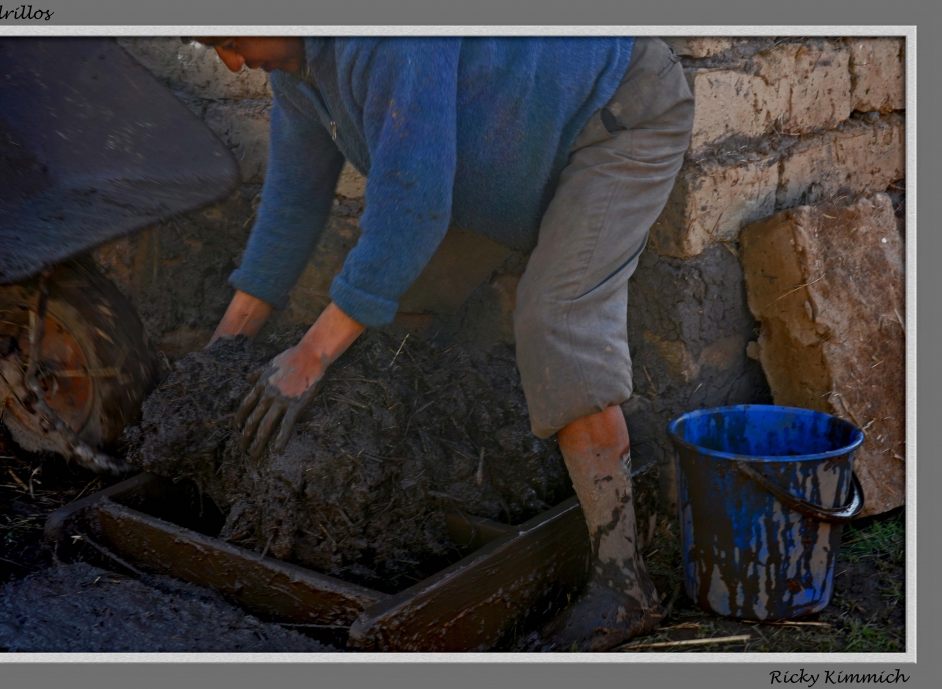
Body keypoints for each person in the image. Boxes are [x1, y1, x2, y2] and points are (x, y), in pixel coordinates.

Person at [191, 35, 694, 650]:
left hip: (612, 120)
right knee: (394, 303)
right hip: (509, 153)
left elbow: (414, 201)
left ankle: (624, 584)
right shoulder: (296, 72)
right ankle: (402, 496)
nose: (232, 64)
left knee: (555, 319)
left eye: (227, 39)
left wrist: (310, 355)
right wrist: (218, 358)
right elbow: (292, 204)